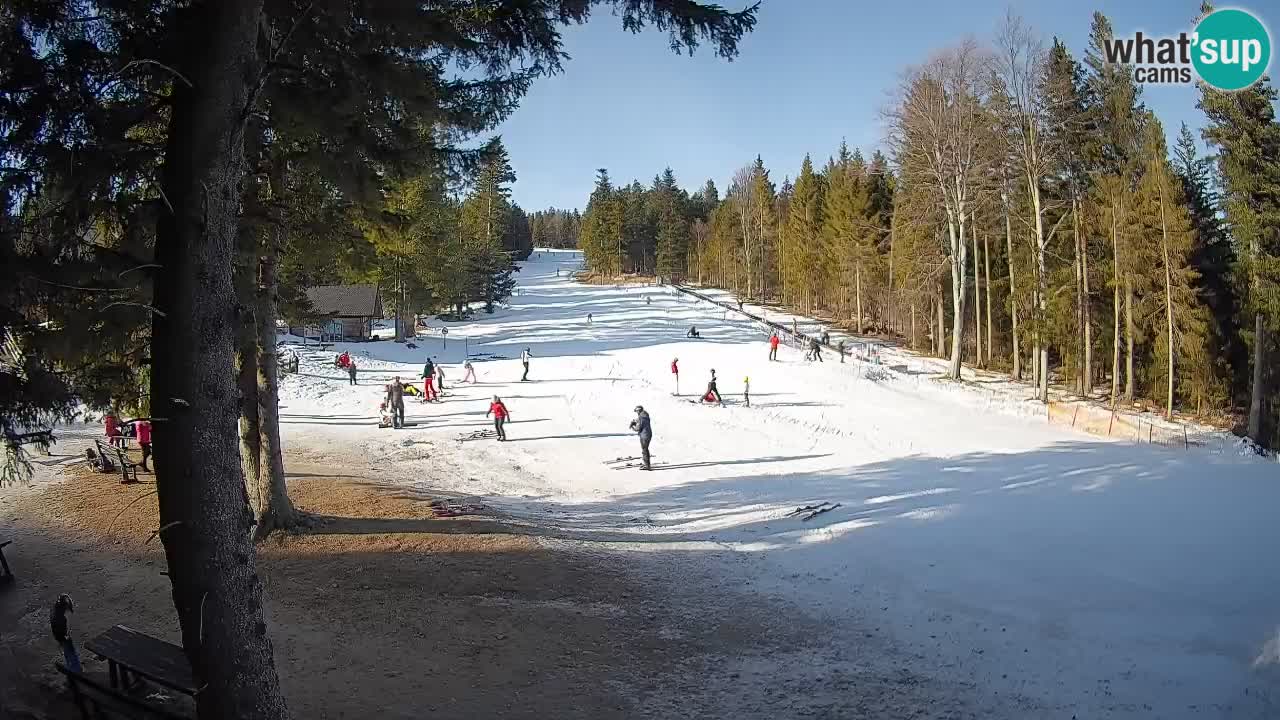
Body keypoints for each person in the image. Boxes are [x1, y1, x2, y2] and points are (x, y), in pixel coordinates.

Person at [50, 594, 81, 672]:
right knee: (70, 652)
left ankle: (71, 667)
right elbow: (62, 631)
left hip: (59, 635)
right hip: (62, 636)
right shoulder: (61, 618)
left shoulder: (55, 611)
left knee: (67, 653)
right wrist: (66, 637)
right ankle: (76, 670)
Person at [628, 405, 653, 470]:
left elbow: (638, 428)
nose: (636, 412)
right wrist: (635, 422)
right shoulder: (645, 416)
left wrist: (632, 426)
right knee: (645, 449)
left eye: (636, 411)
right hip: (648, 434)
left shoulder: (641, 417)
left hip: (644, 435)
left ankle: (647, 466)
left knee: (644, 450)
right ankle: (647, 465)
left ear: (639, 410)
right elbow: (640, 421)